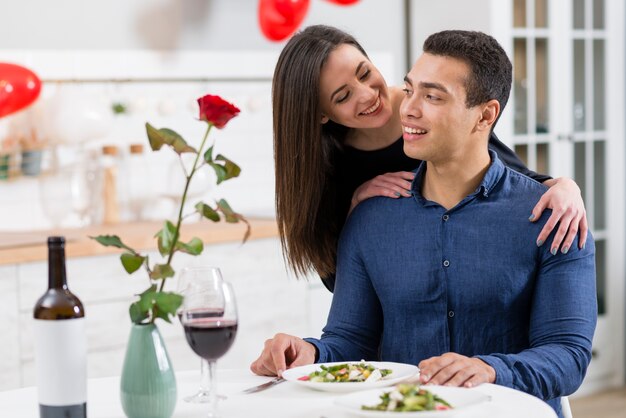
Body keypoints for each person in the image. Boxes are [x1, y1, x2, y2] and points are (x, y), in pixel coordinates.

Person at [252, 30, 597, 418]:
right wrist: (309, 353)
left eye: (432, 96)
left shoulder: (556, 218)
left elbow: (568, 356)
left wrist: (490, 370)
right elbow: (350, 341)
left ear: (485, 115)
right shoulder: (365, 215)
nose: (406, 109)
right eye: (410, 89)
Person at [273, 25, 588, 292]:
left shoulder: (430, 115)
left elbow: (509, 175)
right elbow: (340, 284)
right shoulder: (326, 167)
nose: (367, 94)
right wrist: (355, 208)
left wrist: (564, 185)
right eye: (343, 96)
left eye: (365, 73)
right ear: (320, 115)